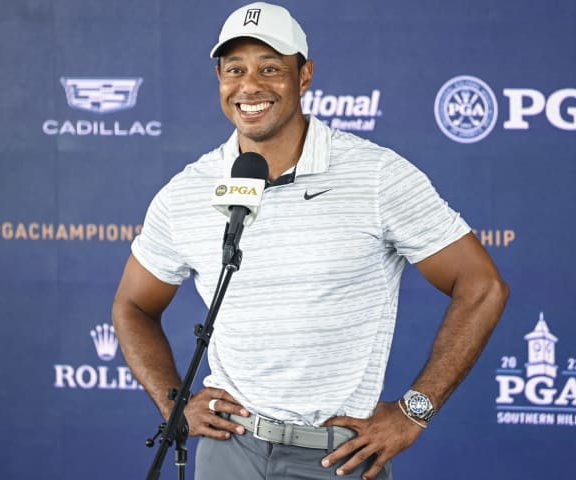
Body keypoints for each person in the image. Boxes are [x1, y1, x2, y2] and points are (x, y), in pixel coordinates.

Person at [111, 2, 508, 479]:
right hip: (228, 452)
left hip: (335, 458)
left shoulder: (374, 175)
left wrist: (412, 412)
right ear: (219, 79)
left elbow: (482, 285)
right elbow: (132, 305)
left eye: (270, 68)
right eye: (234, 69)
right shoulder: (188, 190)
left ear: (304, 76)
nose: (249, 86)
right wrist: (174, 403)